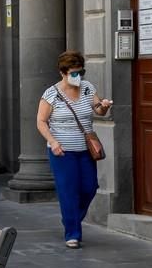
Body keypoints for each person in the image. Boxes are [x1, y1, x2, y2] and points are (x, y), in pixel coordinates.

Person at [37, 50, 112, 249]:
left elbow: (98, 110)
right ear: (63, 72)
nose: (78, 77)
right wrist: (53, 142)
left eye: (81, 72)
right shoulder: (51, 94)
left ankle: (71, 218)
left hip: (86, 150)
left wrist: (104, 106)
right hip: (62, 151)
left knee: (90, 187)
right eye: (74, 73)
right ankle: (73, 233)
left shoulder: (87, 88)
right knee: (68, 191)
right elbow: (41, 122)